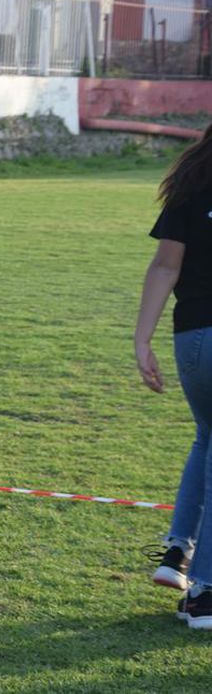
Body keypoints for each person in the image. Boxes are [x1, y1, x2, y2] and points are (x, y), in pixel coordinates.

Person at [135, 124, 212, 630]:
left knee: (206, 437)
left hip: (194, 341)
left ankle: (177, 553)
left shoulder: (193, 180)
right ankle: (205, 594)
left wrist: (142, 340)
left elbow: (165, 266)